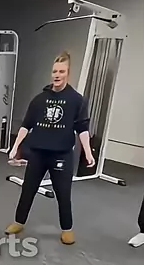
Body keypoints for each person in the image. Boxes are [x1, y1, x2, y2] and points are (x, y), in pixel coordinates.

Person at [6, 52, 95, 245]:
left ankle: (67, 229)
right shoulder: (40, 99)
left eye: (61, 71)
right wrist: (15, 146)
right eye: (55, 71)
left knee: (63, 194)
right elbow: (26, 125)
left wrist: (88, 152)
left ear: (68, 73)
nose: (57, 75)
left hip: (61, 154)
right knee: (28, 189)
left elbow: (82, 129)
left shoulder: (76, 100)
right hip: (38, 153)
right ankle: (19, 222)